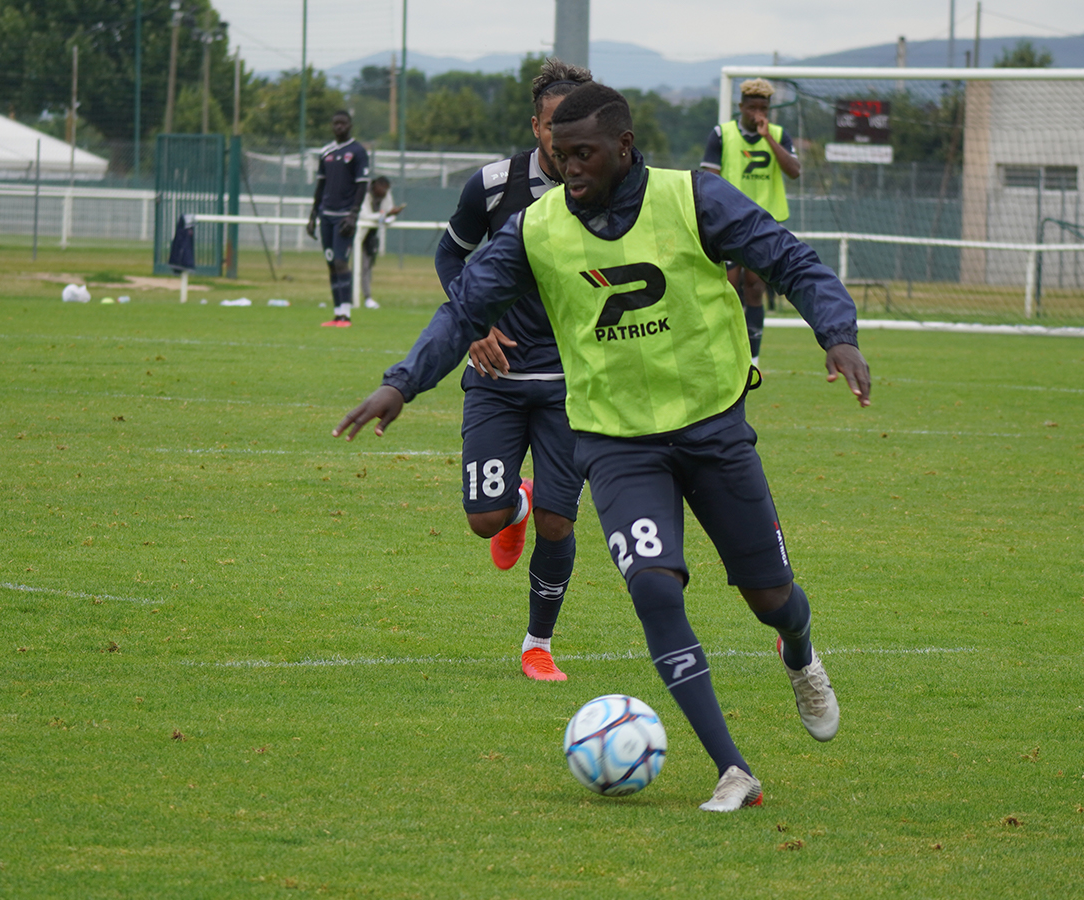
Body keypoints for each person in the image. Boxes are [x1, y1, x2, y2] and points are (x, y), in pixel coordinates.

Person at [333, 83, 871, 812]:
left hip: (713, 428)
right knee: (653, 585)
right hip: (616, 443)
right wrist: (402, 384)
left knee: (771, 597)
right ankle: (732, 770)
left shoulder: (695, 199)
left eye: (583, 154)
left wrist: (837, 333)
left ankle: (799, 651)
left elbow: (792, 262)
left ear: (623, 148)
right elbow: (464, 309)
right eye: (559, 156)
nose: (569, 169)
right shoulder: (537, 228)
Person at [430, 58, 593, 683]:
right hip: (497, 379)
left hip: (570, 387)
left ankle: (537, 645)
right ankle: (513, 507)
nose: (563, 138)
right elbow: (450, 252)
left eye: (576, 125)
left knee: (562, 518)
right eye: (554, 125)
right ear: (535, 125)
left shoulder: (608, 187)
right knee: (485, 521)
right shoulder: (493, 187)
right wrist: (472, 322)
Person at [701, 78, 800, 366]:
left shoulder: (779, 134)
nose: (758, 112)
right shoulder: (722, 134)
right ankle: (725, 352)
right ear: (741, 106)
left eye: (764, 107)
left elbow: (794, 171)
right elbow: (709, 177)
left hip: (765, 222)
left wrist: (768, 137)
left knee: (755, 285)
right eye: (753, 106)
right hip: (729, 221)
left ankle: (753, 358)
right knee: (728, 287)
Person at [307, 110, 370, 328]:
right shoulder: (326, 152)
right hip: (326, 216)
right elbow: (320, 185)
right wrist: (313, 214)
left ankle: (346, 314)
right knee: (332, 263)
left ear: (350, 125)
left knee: (342, 262)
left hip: (344, 217)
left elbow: (362, 185)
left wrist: (353, 214)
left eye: (343, 123)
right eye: (335, 123)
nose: (339, 127)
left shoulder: (358, 151)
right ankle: (336, 314)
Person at [359, 176, 406, 310]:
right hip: (355, 232)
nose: (384, 192)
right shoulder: (364, 192)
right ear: (375, 186)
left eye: (386, 189)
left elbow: (388, 213)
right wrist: (385, 214)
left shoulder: (386, 194)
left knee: (366, 266)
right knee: (352, 267)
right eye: (382, 188)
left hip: (371, 234)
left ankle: (366, 297)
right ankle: (351, 297)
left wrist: (389, 215)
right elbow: (365, 216)